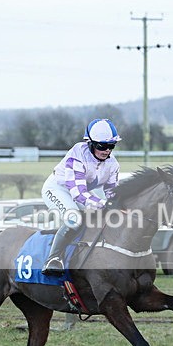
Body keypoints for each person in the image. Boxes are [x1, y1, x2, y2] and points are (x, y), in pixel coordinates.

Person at [40, 118, 121, 276]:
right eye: (102, 146)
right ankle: (53, 259)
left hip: (82, 192)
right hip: (57, 189)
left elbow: (112, 192)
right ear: (90, 143)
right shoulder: (77, 155)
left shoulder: (113, 164)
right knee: (74, 218)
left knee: (103, 217)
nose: (107, 151)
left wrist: (121, 206)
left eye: (111, 146)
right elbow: (78, 193)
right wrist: (105, 205)